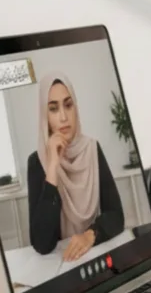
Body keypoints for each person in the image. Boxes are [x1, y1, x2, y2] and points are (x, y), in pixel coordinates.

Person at [27, 71, 124, 260]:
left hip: (94, 255)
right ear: (45, 116)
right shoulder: (37, 161)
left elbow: (116, 215)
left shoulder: (92, 149)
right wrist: (53, 168)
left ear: (75, 108)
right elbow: (42, 243)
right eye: (53, 109)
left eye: (68, 105)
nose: (63, 117)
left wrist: (90, 235)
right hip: (62, 263)